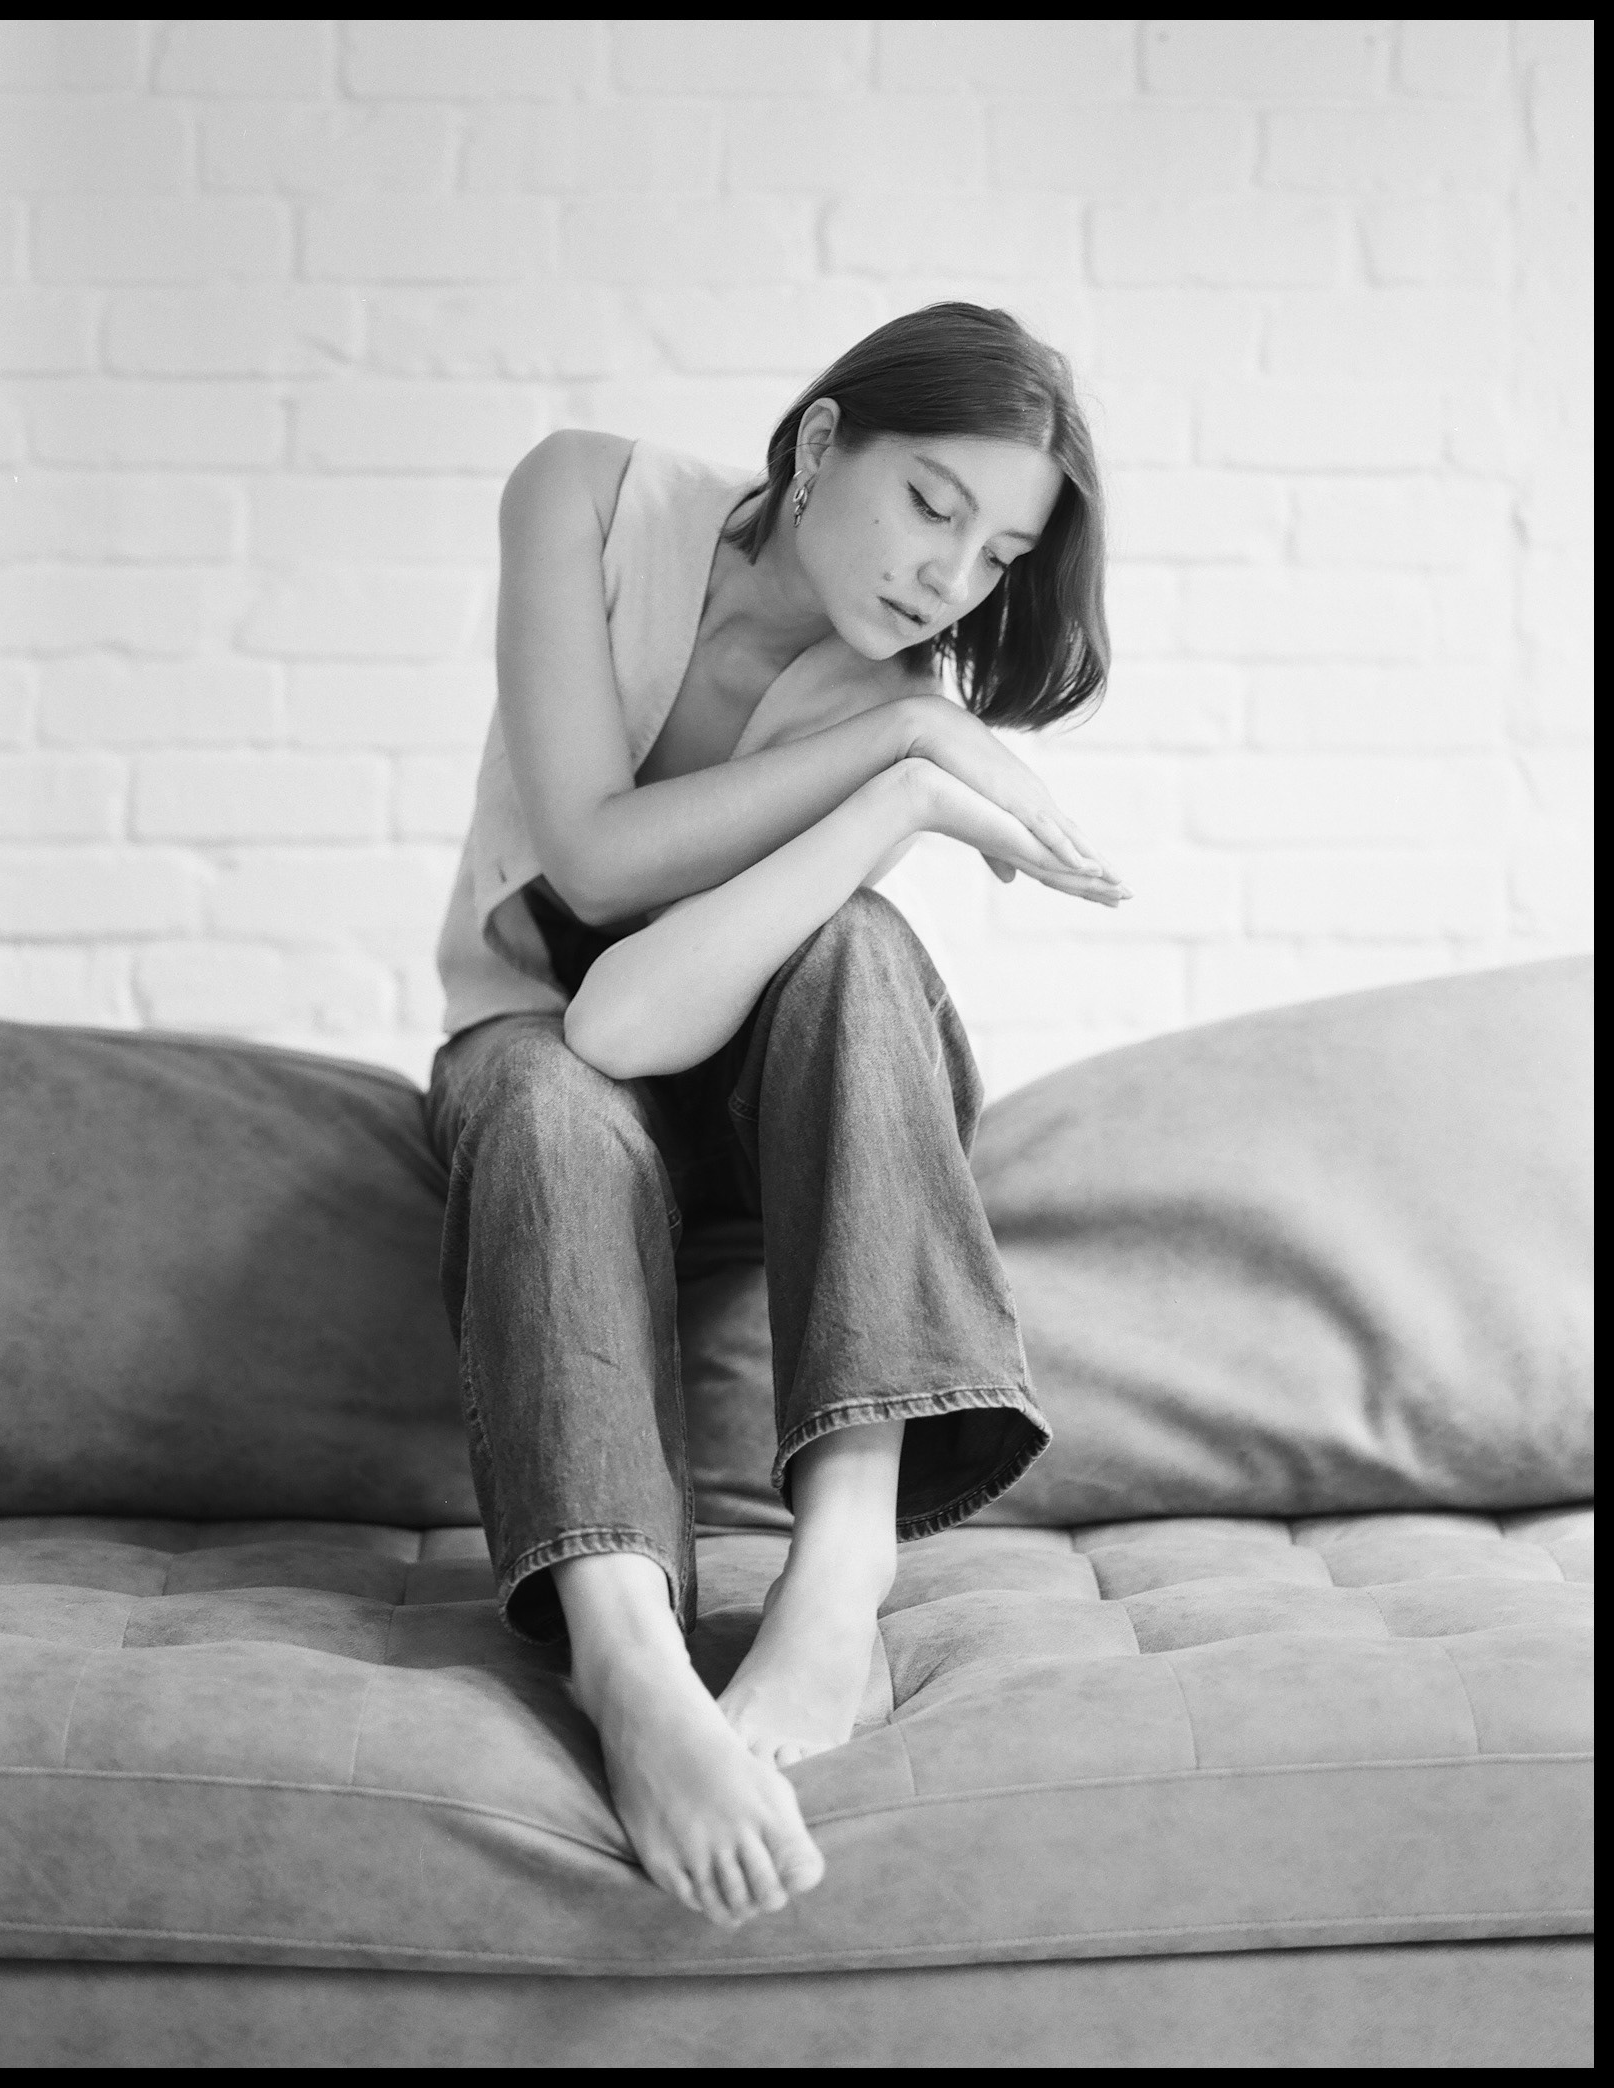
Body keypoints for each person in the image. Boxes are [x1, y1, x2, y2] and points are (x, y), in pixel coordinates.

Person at [422, 302, 1127, 1933]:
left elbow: (686, 1008)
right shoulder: (585, 501)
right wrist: (910, 749)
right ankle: (628, 1658)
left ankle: (842, 1573)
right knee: (537, 1087)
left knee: (862, 948)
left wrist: (888, 765)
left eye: (998, 552)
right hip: (538, 1052)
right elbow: (592, 915)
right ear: (820, 442)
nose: (948, 581)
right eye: (931, 506)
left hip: (764, 1082)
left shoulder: (867, 686)